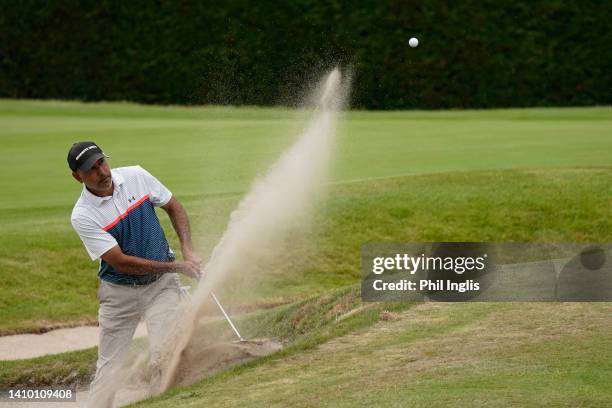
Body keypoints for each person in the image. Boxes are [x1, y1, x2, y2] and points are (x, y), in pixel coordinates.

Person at [67, 141, 201, 407]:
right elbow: (121, 262)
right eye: (91, 170)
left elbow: (173, 206)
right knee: (109, 369)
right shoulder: (82, 215)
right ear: (77, 176)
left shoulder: (136, 176)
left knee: (165, 356)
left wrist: (187, 249)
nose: (102, 172)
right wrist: (176, 267)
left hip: (161, 287)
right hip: (119, 294)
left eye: (101, 162)